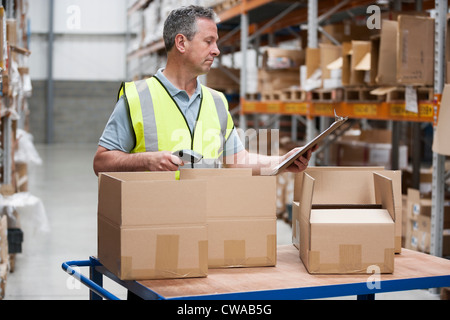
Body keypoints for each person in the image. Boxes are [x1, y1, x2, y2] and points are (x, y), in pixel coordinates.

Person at [93, 5, 314, 177]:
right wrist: (146, 160)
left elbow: (236, 160)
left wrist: (282, 161)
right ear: (181, 43)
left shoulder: (216, 101)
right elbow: (101, 163)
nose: (216, 50)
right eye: (208, 42)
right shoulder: (137, 98)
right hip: (156, 222)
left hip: (204, 221)